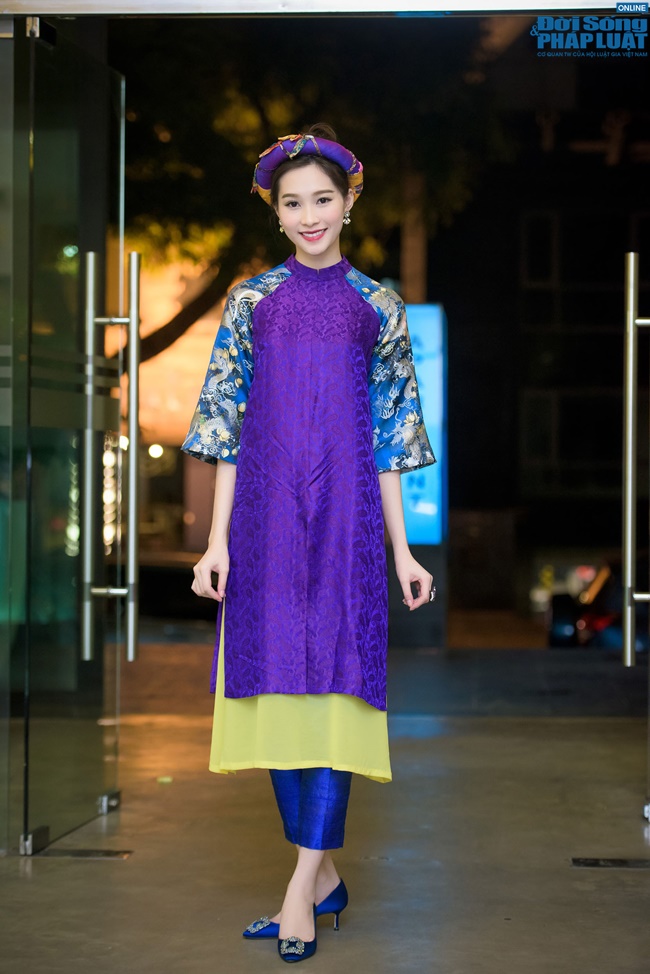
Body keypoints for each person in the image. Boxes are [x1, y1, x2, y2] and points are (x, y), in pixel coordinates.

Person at [181, 123, 436, 964]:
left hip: (350, 530)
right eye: (293, 203)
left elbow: (394, 442)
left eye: (323, 199)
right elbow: (223, 432)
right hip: (264, 526)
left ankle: (299, 890)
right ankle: (322, 878)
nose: (310, 215)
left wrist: (402, 552)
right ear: (277, 213)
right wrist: (216, 544)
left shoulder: (379, 307)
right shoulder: (250, 302)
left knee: (336, 698)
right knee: (276, 701)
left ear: (348, 201)